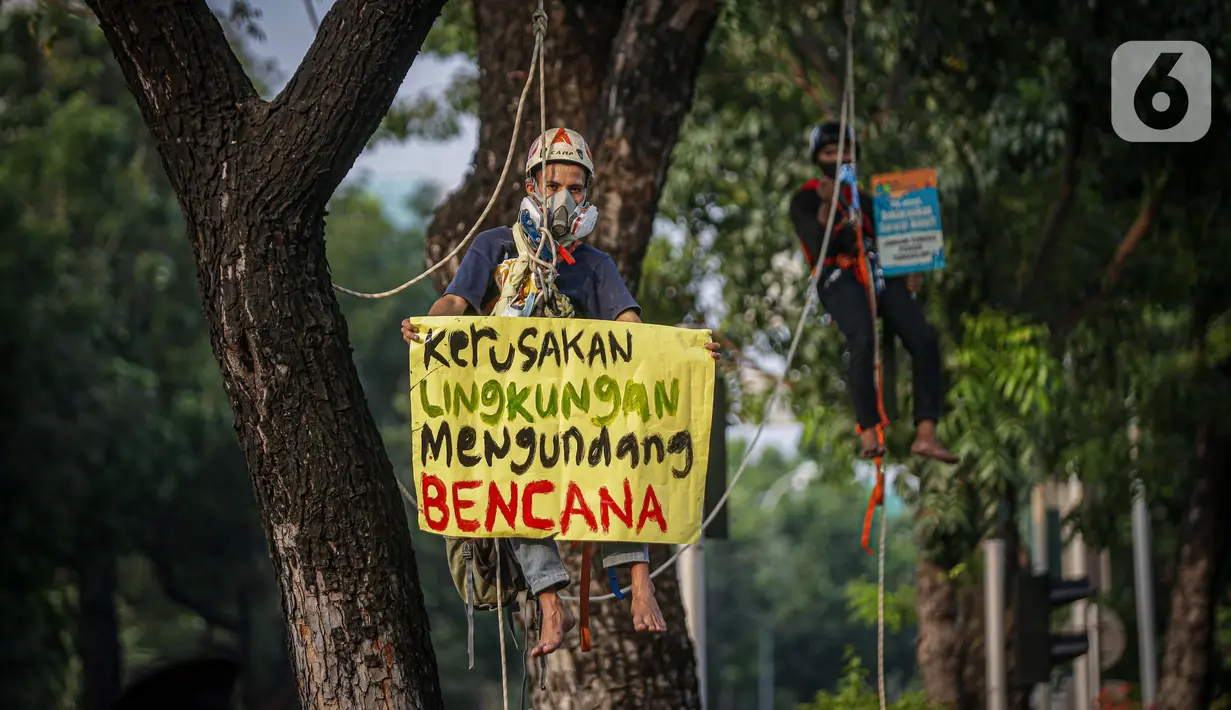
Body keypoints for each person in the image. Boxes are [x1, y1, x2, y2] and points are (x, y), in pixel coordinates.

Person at [401, 127, 720, 657]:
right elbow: (456, 305)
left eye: (576, 188)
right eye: (554, 185)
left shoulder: (594, 266)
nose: (565, 198)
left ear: (587, 196)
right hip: (516, 415)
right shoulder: (495, 246)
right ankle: (552, 602)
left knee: (618, 465)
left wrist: (684, 358)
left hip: (577, 418)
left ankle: (640, 578)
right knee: (512, 485)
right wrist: (425, 329)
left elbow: (631, 332)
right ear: (530, 186)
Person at [788, 120, 959, 465]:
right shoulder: (805, 198)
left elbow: (892, 247)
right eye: (829, 152)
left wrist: (909, 274)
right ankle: (868, 429)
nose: (838, 158)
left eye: (845, 151)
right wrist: (825, 205)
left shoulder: (868, 202)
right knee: (862, 340)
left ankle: (926, 432)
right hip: (838, 275)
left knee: (924, 338)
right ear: (817, 158)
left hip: (878, 275)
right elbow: (817, 244)